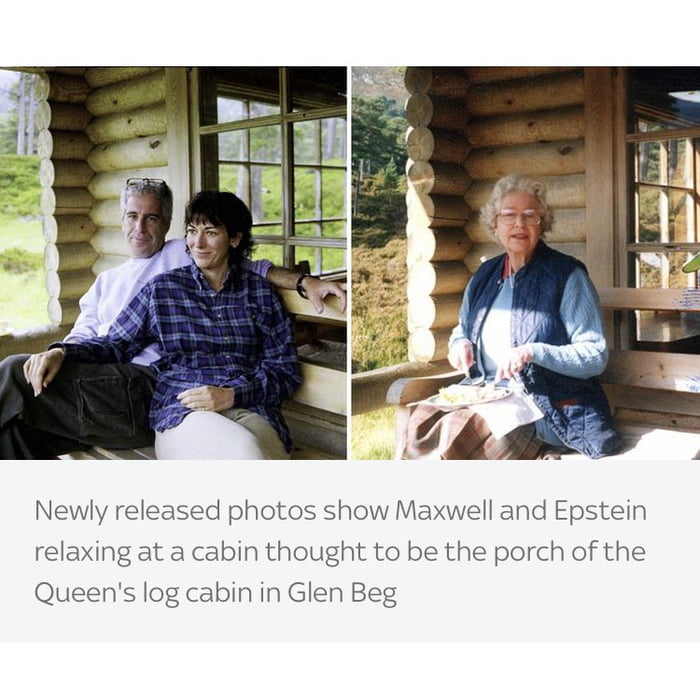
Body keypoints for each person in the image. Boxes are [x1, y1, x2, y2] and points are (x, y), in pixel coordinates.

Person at [0, 178, 342, 458]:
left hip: (242, 404)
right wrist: (62, 350)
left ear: (234, 240)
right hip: (182, 403)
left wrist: (303, 281)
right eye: (193, 231)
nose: (198, 242)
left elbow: (283, 370)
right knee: (246, 455)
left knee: (266, 464)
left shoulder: (251, 290)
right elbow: (114, 343)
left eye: (211, 232)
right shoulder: (158, 289)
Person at [403, 173, 621, 460]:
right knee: (421, 418)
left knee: (458, 430)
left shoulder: (567, 275)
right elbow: (462, 329)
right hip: (483, 392)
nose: (519, 224)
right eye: (509, 216)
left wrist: (532, 352)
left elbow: (595, 355)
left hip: (544, 403)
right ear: (495, 223)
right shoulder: (484, 275)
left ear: (542, 224)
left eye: (530, 216)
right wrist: (461, 344)